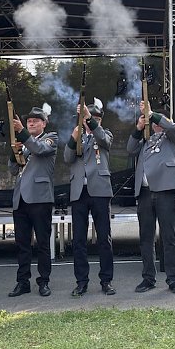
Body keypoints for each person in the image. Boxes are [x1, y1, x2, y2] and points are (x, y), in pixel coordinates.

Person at [127, 103, 175, 294]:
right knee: (146, 238)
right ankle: (148, 277)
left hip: (165, 190)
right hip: (144, 192)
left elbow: (170, 128)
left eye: (157, 120)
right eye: (152, 122)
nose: (155, 124)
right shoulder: (146, 139)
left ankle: (173, 278)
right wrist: (138, 127)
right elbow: (130, 148)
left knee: (169, 237)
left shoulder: (173, 136)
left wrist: (153, 114)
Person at [63, 99, 115, 297]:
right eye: (88, 118)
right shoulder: (78, 136)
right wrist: (72, 137)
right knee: (78, 240)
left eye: (96, 119)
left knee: (104, 238)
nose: (92, 121)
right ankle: (81, 281)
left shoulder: (103, 134)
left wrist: (89, 120)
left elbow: (106, 141)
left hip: (100, 190)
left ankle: (106, 280)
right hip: (79, 191)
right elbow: (68, 158)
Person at [7, 104, 57, 297]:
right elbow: (13, 170)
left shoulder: (50, 138)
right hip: (21, 199)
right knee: (22, 244)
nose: (31, 123)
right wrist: (15, 152)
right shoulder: (24, 143)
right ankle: (23, 281)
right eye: (29, 121)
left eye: (36, 120)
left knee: (43, 243)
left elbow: (41, 149)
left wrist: (22, 133)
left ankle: (44, 281)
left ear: (44, 123)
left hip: (40, 198)